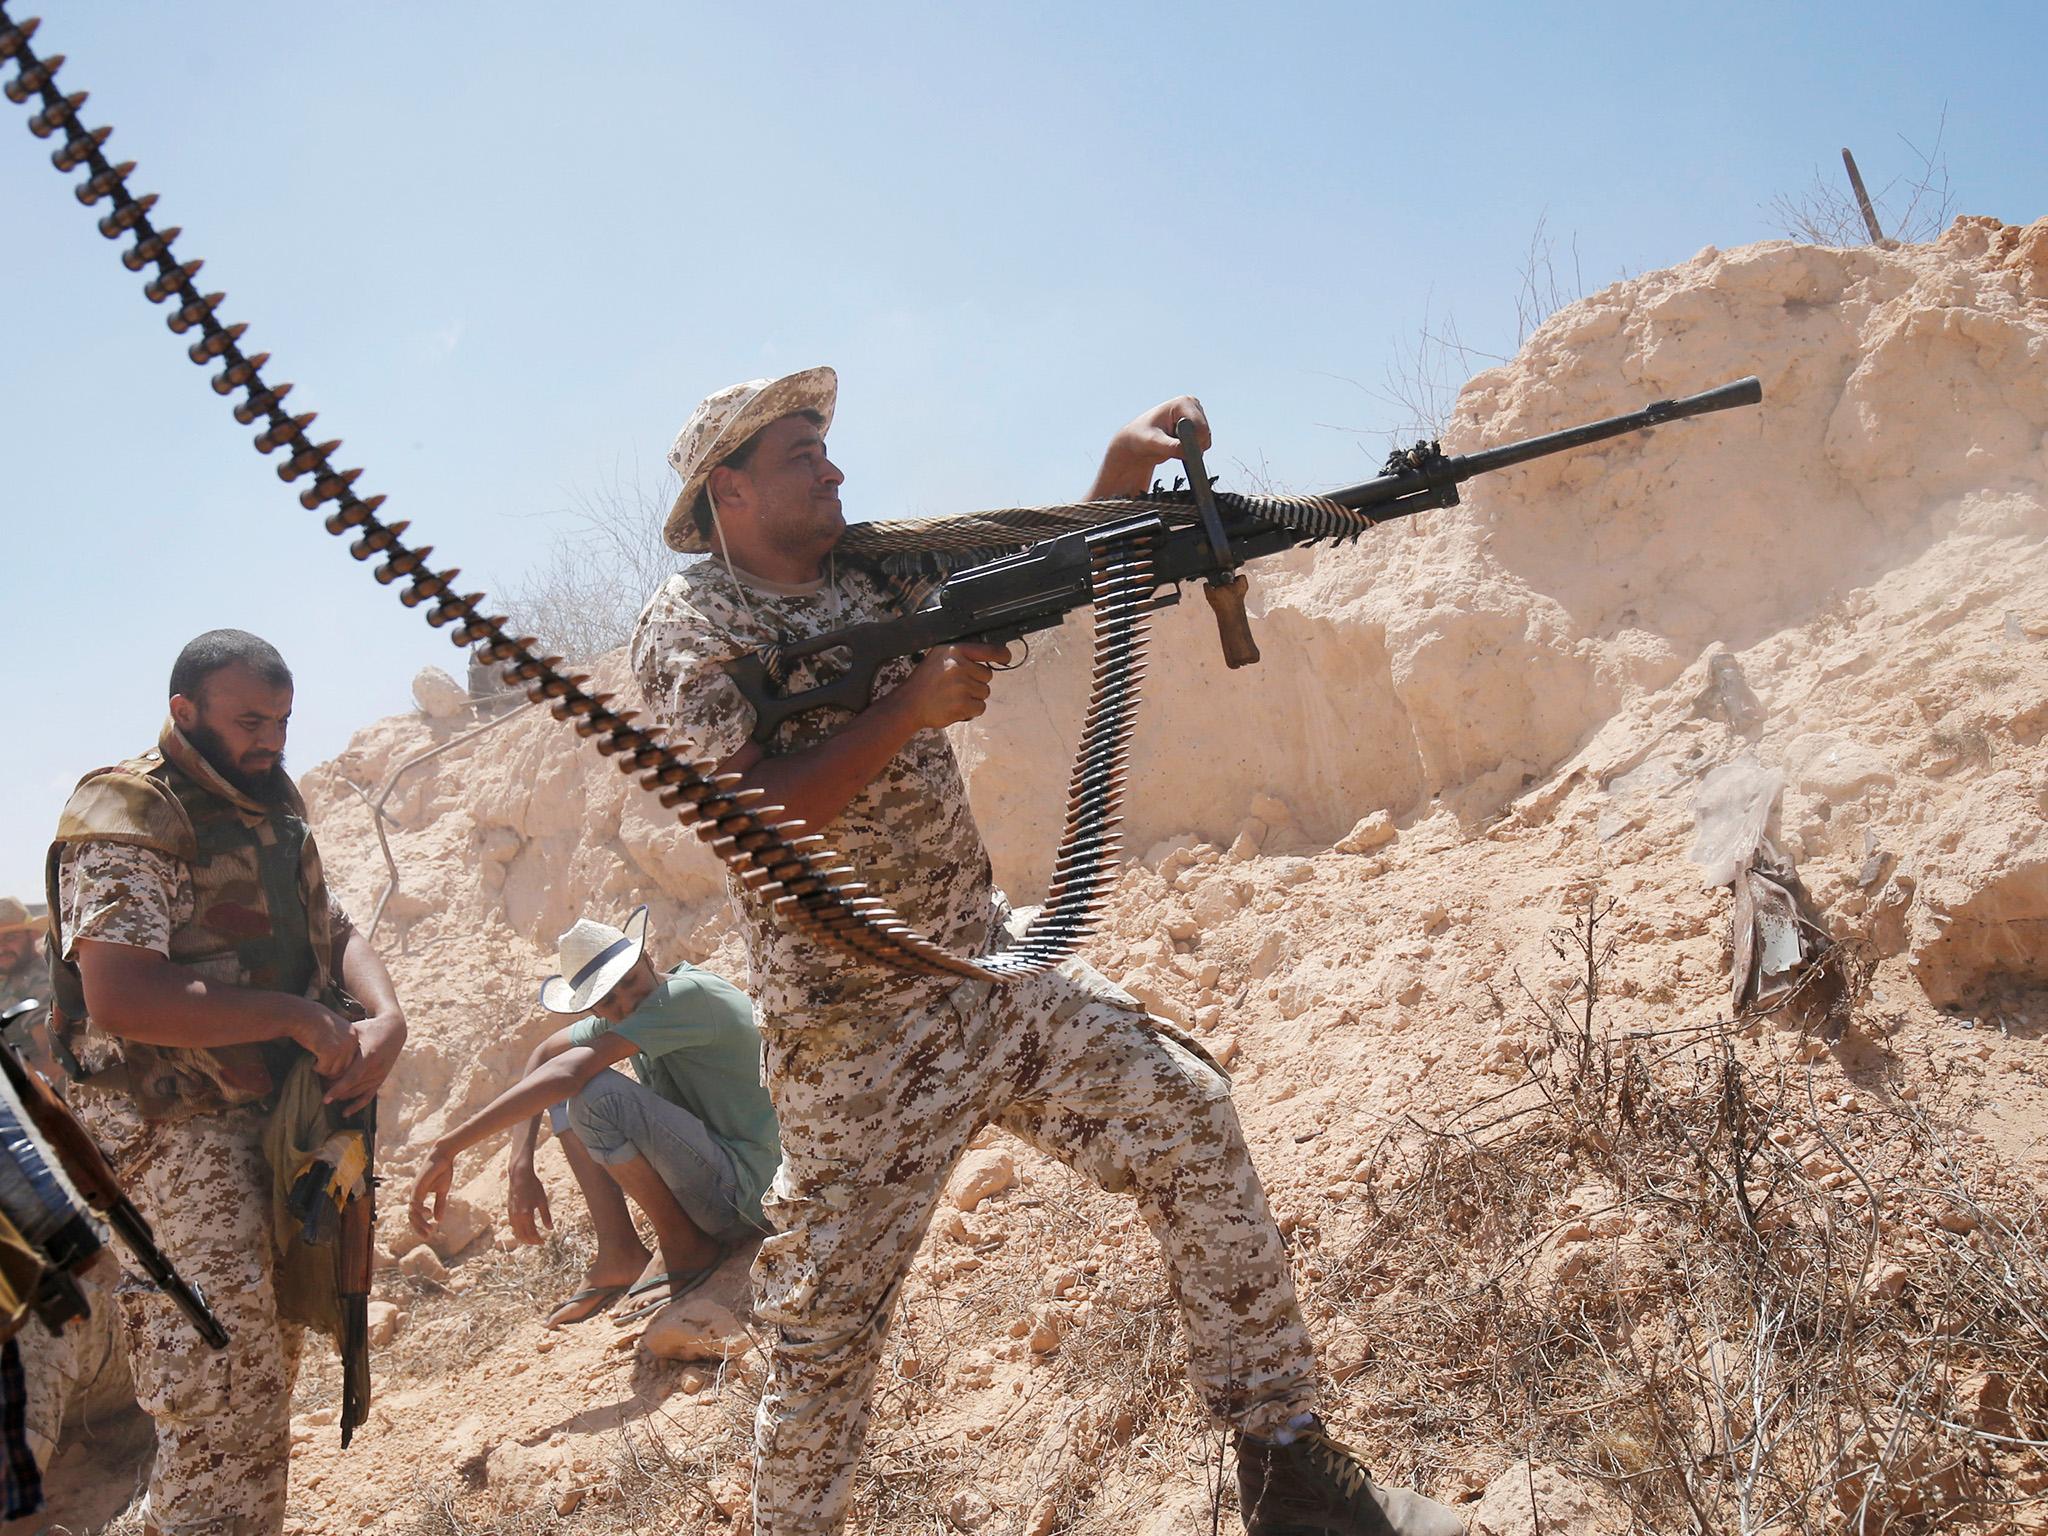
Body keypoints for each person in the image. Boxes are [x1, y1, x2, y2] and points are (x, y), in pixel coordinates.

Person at [631, 368, 1466, 1536]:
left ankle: (1282, 1464)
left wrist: (1118, 483)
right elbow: (744, 817)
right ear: (726, 487)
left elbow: (1037, 578)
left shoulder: (881, 566)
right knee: (822, 1335)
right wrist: (902, 712)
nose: (829, 465)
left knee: (1186, 1112)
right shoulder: (691, 629)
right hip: (856, 1032)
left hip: (993, 974)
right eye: (796, 455)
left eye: (824, 445)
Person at [45, 628, 407, 1536]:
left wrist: (385, 1016)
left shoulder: (268, 808)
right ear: (183, 712)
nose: (271, 741)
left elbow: (335, 923)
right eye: (250, 720)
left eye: (282, 721)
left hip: (264, 1124)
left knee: (259, 1384)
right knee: (216, 1395)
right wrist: (293, 1016)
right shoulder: (128, 808)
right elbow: (122, 994)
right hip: (166, 1136)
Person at [408, 906, 779, 1327]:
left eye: (630, 982)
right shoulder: (648, 1007)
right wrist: (520, 1161)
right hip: (724, 1179)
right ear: (594, 1010)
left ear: (646, 959)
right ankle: (619, 1250)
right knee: (569, 1089)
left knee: (592, 1094)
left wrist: (447, 1148)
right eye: (609, 1001)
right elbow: (545, 1053)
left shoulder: (682, 998)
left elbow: (568, 1072)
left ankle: (685, 1247)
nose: (626, 1003)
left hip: (753, 1194)